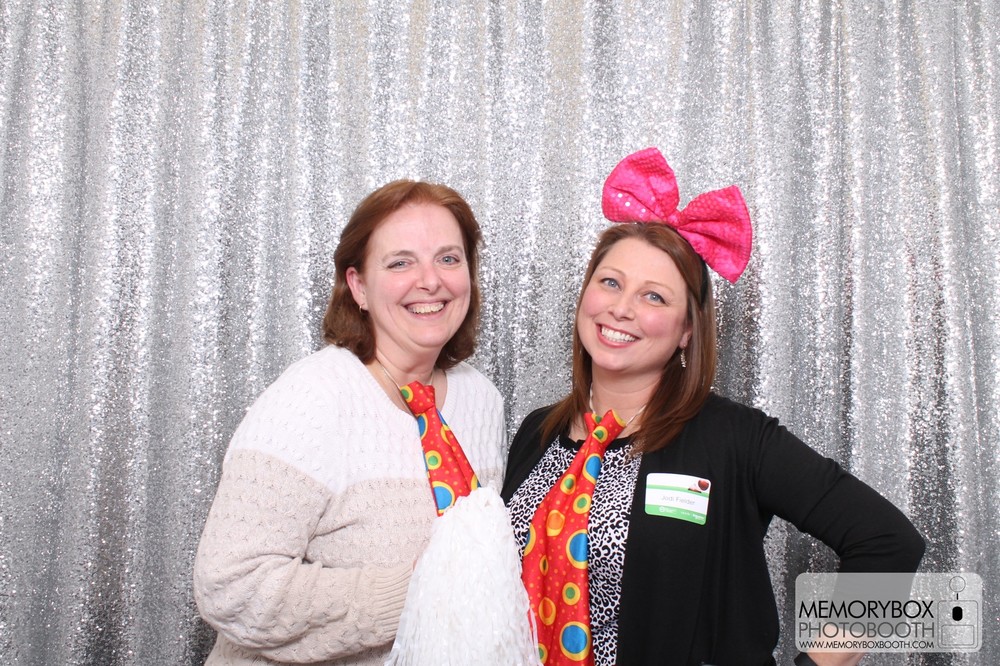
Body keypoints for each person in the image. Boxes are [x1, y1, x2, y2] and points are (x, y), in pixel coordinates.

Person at [501, 148, 925, 666]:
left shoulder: (736, 439)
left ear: (686, 331)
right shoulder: (538, 432)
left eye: (654, 297)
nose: (621, 308)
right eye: (610, 282)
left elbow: (890, 542)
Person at [194, 179, 506, 665]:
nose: (430, 281)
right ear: (358, 286)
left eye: (449, 258)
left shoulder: (482, 401)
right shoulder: (311, 398)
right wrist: (419, 592)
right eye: (400, 263)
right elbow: (231, 587)